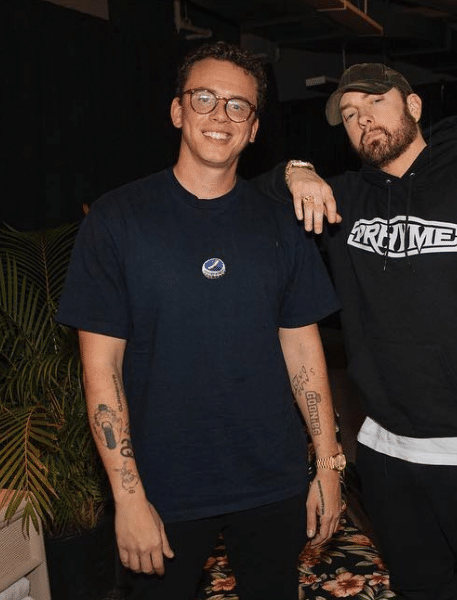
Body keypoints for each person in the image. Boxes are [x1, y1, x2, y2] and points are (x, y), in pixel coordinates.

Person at [257, 63, 457, 600]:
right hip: (388, 453)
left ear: (413, 106)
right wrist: (295, 171)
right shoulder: (343, 200)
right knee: (420, 589)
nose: (363, 119)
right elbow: (252, 197)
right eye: (350, 114)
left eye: (375, 102)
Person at [56, 41, 344, 600]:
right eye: (204, 98)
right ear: (177, 110)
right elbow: (101, 370)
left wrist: (329, 466)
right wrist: (127, 497)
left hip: (272, 479)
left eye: (238, 106)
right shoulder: (116, 220)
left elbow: (305, 354)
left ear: (254, 129)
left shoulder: (281, 225)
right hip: (162, 487)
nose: (220, 115)